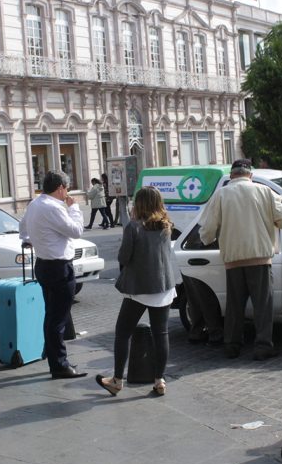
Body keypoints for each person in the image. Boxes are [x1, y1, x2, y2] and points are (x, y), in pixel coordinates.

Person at [199, 159, 282, 360]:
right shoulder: (265, 192)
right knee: (263, 306)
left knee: (234, 306)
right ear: (250, 175)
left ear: (232, 175)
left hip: (233, 260)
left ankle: (232, 345)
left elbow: (206, 232)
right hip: (260, 258)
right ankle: (263, 346)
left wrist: (210, 239)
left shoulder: (221, 195)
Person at [95, 186, 174, 397]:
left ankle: (117, 380)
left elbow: (123, 257)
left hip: (139, 288)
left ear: (138, 204)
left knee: (122, 332)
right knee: (161, 334)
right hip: (163, 286)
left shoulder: (134, 227)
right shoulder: (165, 225)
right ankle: (159, 380)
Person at [19, 170, 87, 380]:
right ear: (60, 188)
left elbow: (22, 230)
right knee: (58, 318)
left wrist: (36, 239)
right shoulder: (53, 208)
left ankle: (51, 354)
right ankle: (59, 364)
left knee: (51, 314)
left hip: (44, 264)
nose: (66, 193)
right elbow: (76, 231)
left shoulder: (34, 204)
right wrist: (74, 208)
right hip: (58, 266)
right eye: (66, 189)